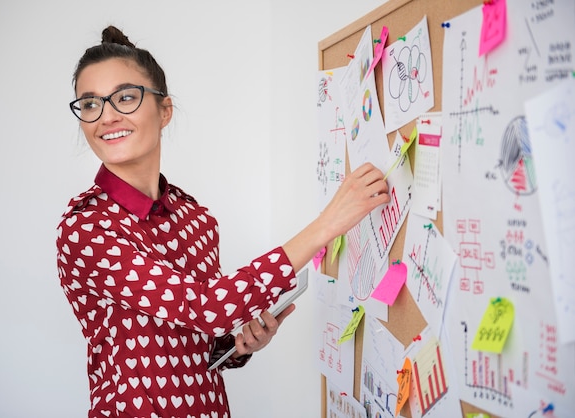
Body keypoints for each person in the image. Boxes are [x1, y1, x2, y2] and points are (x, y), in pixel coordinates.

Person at [56, 25, 390, 418]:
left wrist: (236, 346)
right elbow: (207, 307)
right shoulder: (87, 227)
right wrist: (327, 224)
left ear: (165, 111)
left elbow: (197, 338)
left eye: (126, 97)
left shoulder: (195, 218)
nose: (107, 116)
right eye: (91, 104)